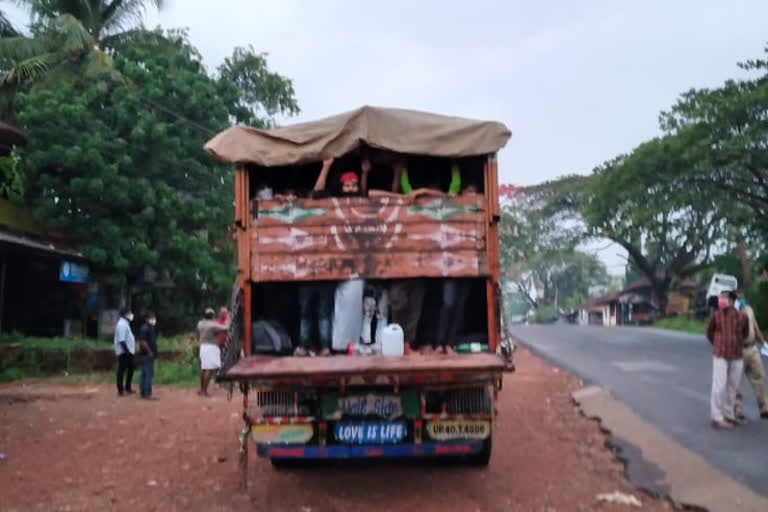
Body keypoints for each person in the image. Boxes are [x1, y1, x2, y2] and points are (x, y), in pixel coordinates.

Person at [706, 290, 749, 429]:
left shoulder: (742, 317)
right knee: (719, 386)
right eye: (720, 298)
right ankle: (716, 417)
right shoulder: (716, 316)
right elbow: (709, 332)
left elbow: (745, 333)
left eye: (724, 298)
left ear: (732, 301)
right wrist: (718, 343)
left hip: (737, 354)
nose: (721, 301)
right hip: (720, 354)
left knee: (733, 387)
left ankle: (729, 414)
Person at [734, 294, 768, 420]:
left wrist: (763, 343)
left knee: (759, 377)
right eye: (738, 297)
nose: (741, 299)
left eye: (742, 296)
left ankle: (764, 408)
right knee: (736, 381)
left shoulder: (749, 310)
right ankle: (737, 409)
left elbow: (755, 327)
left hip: (752, 348)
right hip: (738, 350)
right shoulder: (732, 312)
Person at [197, 307, 231, 396]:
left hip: (203, 347)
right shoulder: (212, 325)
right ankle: (204, 391)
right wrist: (228, 318)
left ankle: (202, 390)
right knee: (209, 370)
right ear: (213, 316)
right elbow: (226, 328)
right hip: (211, 347)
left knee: (204, 369)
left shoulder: (200, 323)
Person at [114, 307, 136, 397]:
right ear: (125, 314)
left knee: (131, 368)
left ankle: (127, 387)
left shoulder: (125, 323)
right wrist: (127, 352)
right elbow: (122, 340)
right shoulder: (121, 324)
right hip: (124, 351)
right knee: (122, 370)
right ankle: (121, 390)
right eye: (129, 313)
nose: (131, 315)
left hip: (128, 351)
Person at [138, 312, 158, 400]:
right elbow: (143, 342)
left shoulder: (149, 328)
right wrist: (149, 351)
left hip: (146, 354)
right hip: (147, 354)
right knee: (148, 374)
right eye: (151, 318)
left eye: (154, 318)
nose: (153, 320)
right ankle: (147, 393)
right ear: (147, 319)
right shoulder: (145, 328)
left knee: (144, 373)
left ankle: (143, 392)